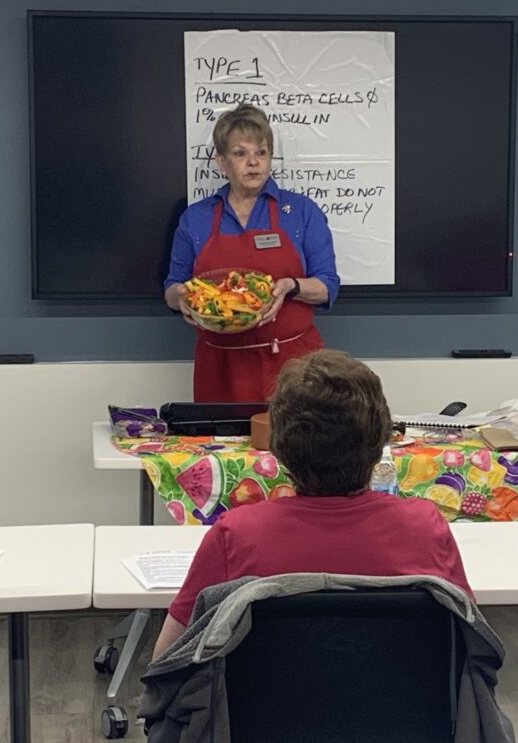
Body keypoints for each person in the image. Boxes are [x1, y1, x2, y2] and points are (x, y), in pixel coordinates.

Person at [151, 349, 472, 658]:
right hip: (406, 712)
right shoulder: (424, 527)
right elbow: (469, 641)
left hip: (262, 713)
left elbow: (166, 661)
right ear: (382, 439)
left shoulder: (235, 535)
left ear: (277, 445)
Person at [164, 103, 340, 403]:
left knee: (296, 447)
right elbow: (172, 287)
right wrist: (181, 296)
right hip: (220, 367)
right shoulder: (196, 218)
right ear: (222, 161)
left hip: (292, 367)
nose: (253, 163)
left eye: (261, 152)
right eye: (240, 153)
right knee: (221, 447)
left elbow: (327, 286)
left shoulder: (300, 212)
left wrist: (290, 286)